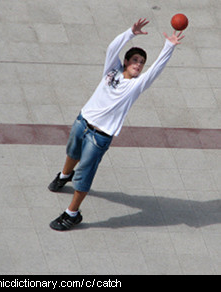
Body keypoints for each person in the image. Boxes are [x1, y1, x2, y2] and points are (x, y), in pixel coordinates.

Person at [48, 18, 184, 231]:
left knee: (84, 175)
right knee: (72, 151)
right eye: (135, 60)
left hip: (99, 136)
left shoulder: (136, 86)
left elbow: (156, 69)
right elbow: (112, 48)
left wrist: (169, 46)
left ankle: (72, 214)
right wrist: (130, 33)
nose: (139, 65)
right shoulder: (111, 70)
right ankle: (64, 176)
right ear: (126, 62)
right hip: (83, 121)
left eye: (141, 62)